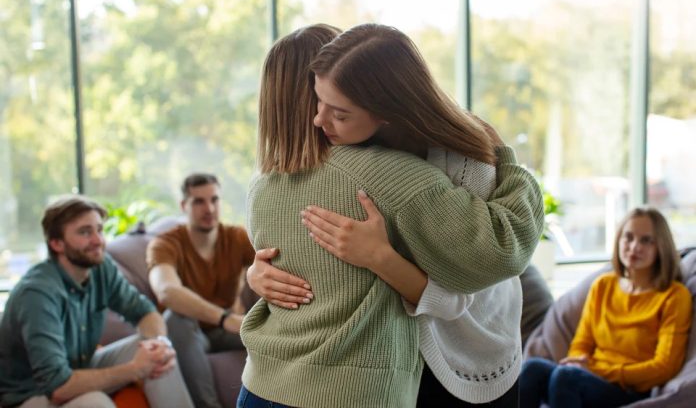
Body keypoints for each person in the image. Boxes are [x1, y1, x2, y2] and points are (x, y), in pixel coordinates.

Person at [238, 23, 544, 408]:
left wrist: (380, 258)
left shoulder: (269, 183)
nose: (319, 119)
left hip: (465, 355)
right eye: (320, 100)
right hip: (386, 372)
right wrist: (256, 273)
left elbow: (471, 284)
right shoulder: (338, 172)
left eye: (338, 110)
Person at [0, 195, 193, 408]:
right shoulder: (37, 294)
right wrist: (135, 369)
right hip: (30, 395)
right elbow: (58, 387)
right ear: (56, 243)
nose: (98, 240)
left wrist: (161, 344)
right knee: (95, 402)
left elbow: (144, 311)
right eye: (85, 232)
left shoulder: (100, 268)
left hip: (79, 367)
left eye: (99, 230)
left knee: (155, 352)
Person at [519, 206, 693, 408]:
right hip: (589, 378)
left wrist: (597, 371)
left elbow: (665, 367)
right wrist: (578, 362)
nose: (634, 247)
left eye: (646, 240)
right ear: (619, 240)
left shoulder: (674, 296)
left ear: (661, 247)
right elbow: (581, 343)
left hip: (632, 390)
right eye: (628, 237)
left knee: (566, 377)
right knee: (532, 368)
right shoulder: (603, 285)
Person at [147, 173, 255, 408]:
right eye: (199, 201)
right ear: (183, 205)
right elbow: (166, 291)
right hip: (188, 333)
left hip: (229, 330)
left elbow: (276, 262)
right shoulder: (165, 244)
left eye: (214, 199)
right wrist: (224, 318)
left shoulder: (236, 237)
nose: (209, 209)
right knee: (174, 318)